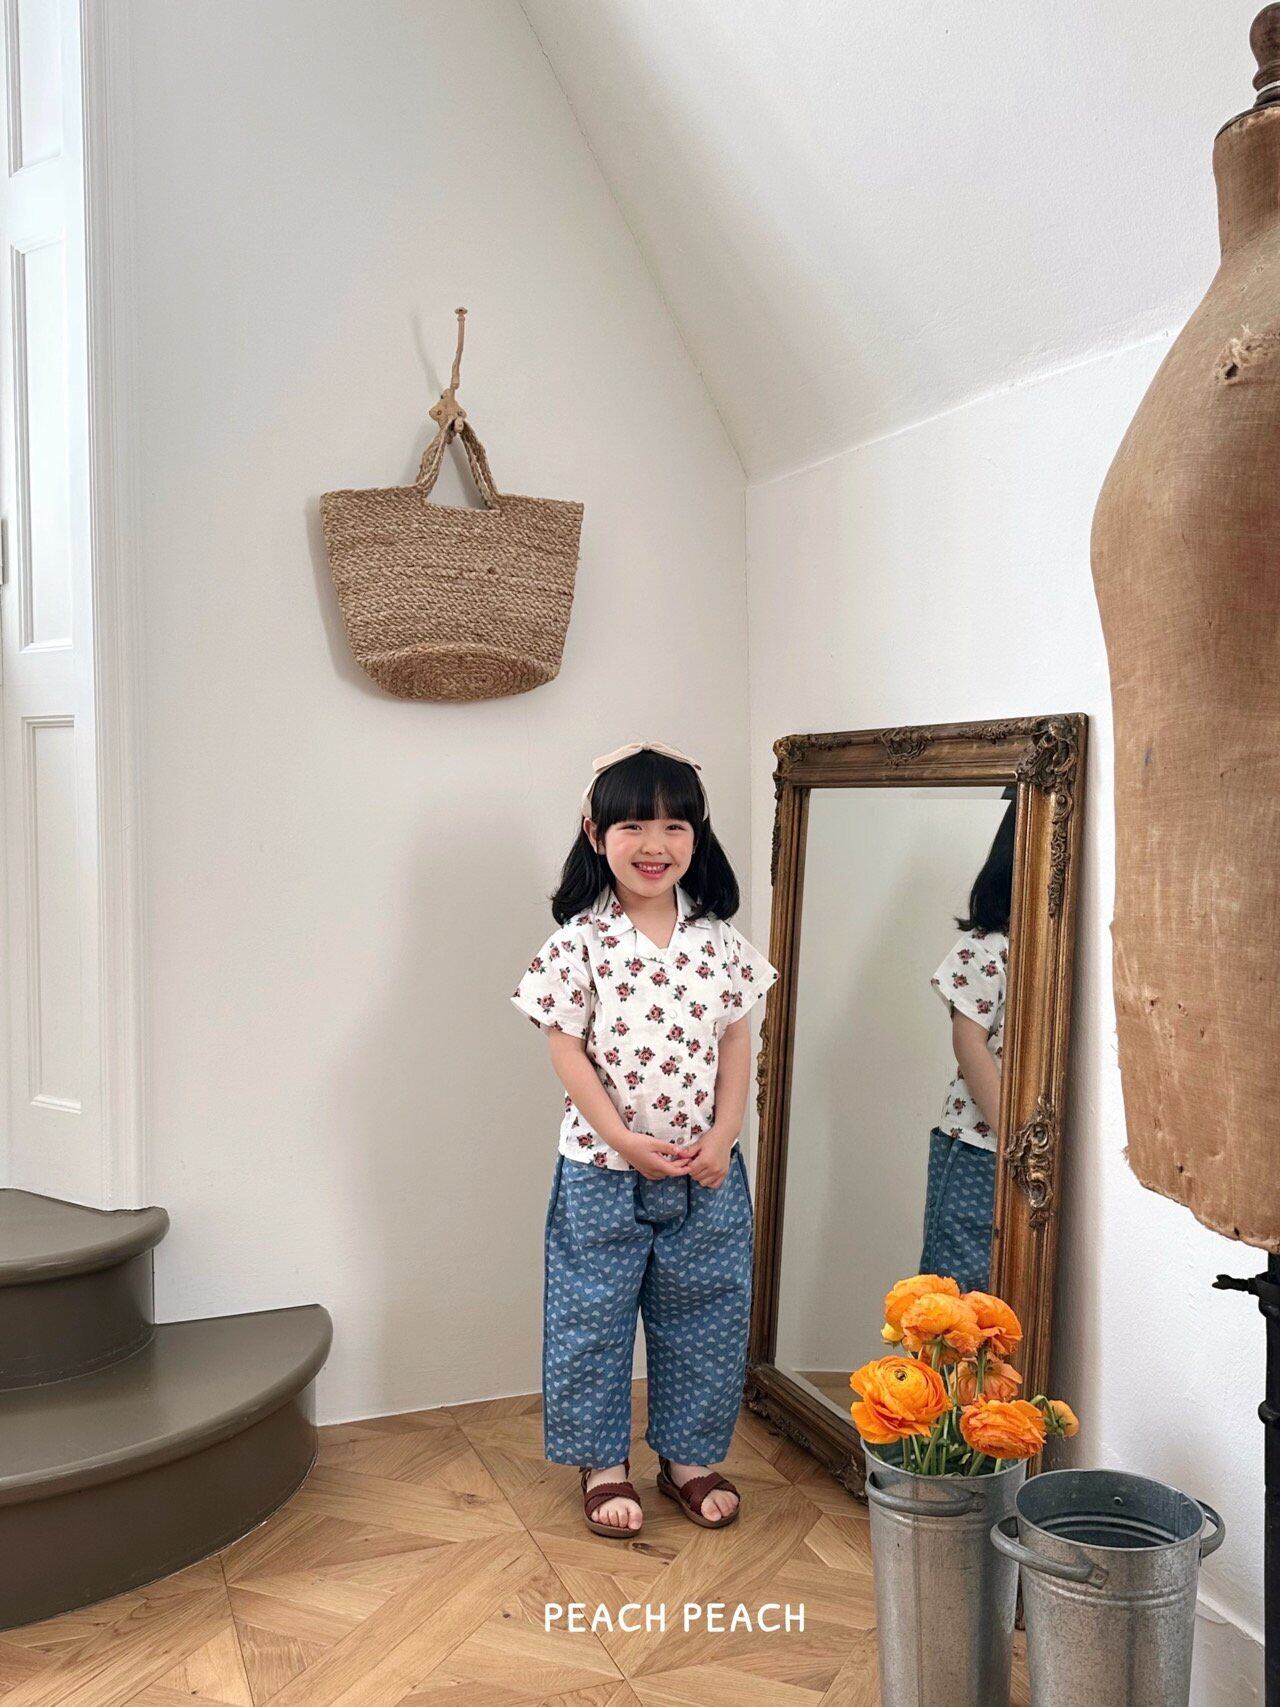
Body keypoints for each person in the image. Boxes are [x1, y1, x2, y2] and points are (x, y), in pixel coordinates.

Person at [511, 742, 777, 1538]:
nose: (654, 843)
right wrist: (624, 1141)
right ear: (596, 834)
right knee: (592, 1319)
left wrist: (726, 1134)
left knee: (706, 1315)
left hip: (707, 1170)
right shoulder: (578, 943)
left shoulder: (718, 940)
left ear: (698, 834)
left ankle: (687, 1459)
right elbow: (565, 1048)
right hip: (602, 1169)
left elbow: (738, 1038)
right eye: (632, 824)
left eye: (674, 825)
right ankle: (603, 1464)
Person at [919, 799, 1015, 1294]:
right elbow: (969, 1043)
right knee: (959, 1286)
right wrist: (1012, 1136)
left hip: (1032, 1147)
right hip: (981, 1142)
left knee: (1015, 1285)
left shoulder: (1053, 947)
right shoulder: (986, 946)